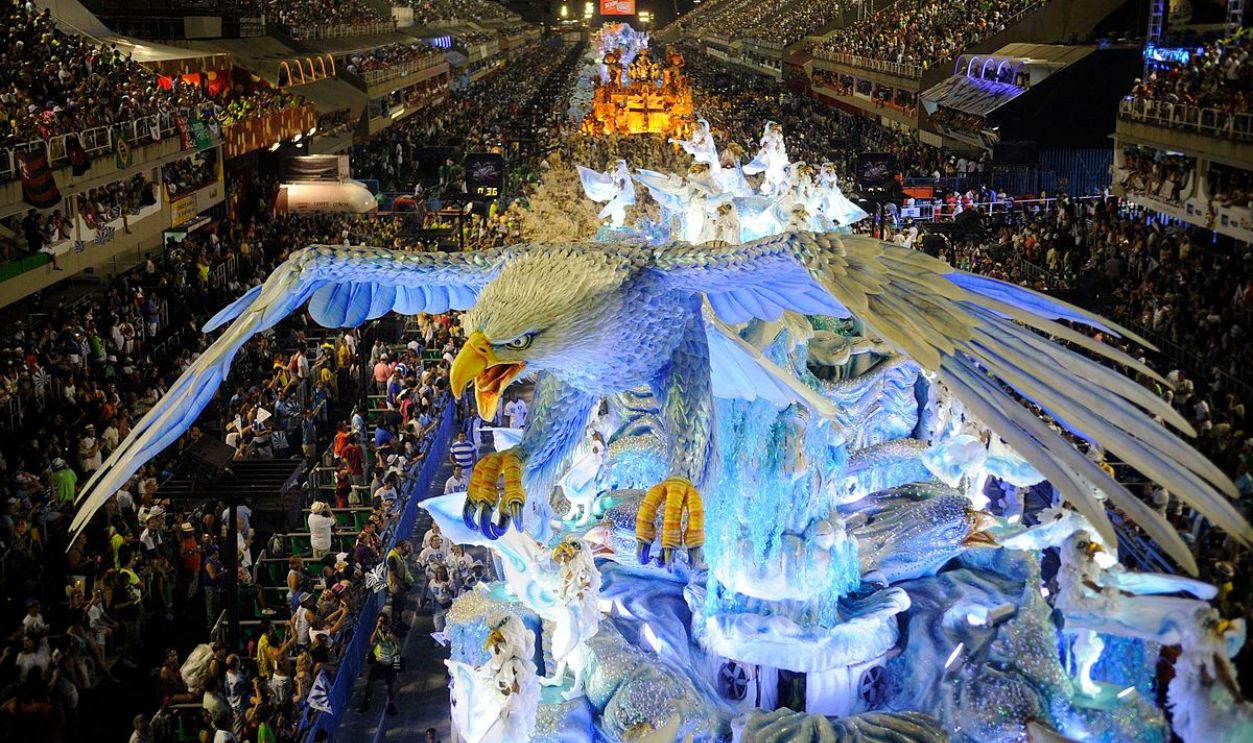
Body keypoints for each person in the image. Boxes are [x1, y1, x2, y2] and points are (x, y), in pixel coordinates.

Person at [359, 614, 401, 716]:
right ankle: (366, 702)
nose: (382, 624)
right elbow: (372, 641)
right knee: (371, 682)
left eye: (383, 622)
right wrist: (377, 627)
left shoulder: (393, 631)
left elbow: (397, 644)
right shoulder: (378, 631)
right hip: (378, 661)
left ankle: (391, 704)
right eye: (380, 622)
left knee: (391, 684)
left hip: (390, 661)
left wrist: (390, 634)